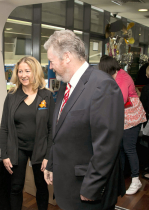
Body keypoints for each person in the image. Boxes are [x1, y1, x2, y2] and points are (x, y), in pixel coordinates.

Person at [43, 30, 125, 210]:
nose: (50, 66)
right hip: (67, 186)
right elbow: (61, 130)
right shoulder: (66, 83)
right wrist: (52, 162)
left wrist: (92, 188)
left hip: (86, 190)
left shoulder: (102, 86)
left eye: (52, 60)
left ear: (66, 57)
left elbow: (107, 146)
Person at [0, 56, 54, 210]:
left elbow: (51, 129)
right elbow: (4, 127)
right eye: (20, 71)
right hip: (18, 148)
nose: (23, 75)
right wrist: (4, 154)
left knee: (41, 187)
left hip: (40, 149)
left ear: (35, 71)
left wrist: (48, 156)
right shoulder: (11, 96)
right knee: (15, 187)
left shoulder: (46, 95)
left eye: (27, 71)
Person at [99, 55, 146, 195]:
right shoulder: (115, 75)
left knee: (128, 148)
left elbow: (121, 99)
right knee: (120, 148)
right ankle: (119, 179)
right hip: (123, 116)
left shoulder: (122, 77)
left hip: (131, 116)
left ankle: (136, 179)